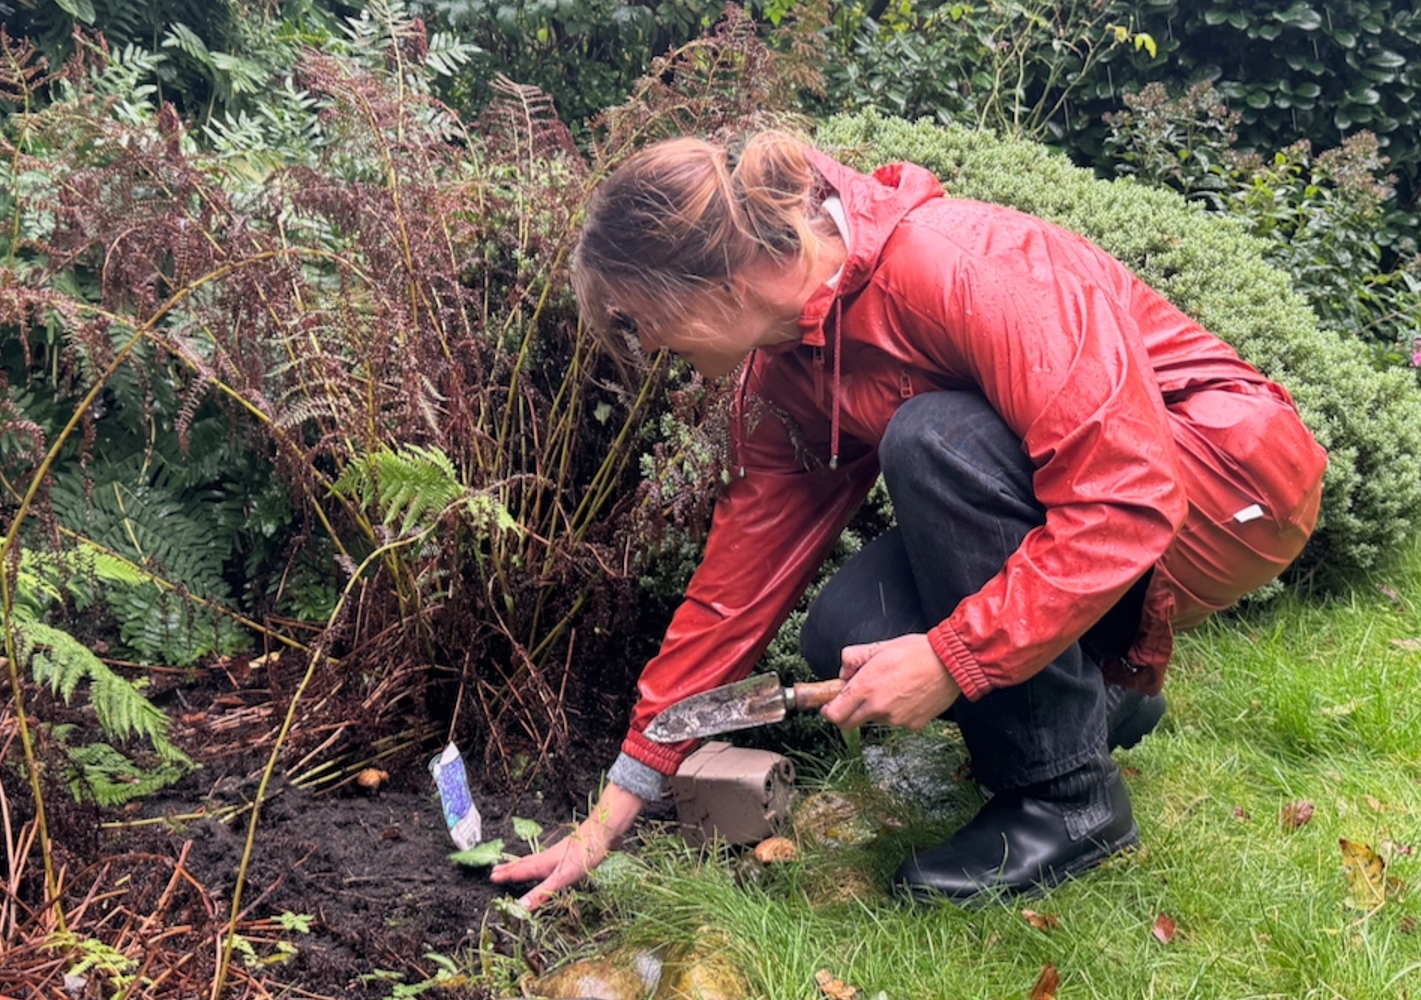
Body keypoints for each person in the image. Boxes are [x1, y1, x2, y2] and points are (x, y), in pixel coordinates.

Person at [490, 131, 1327, 906]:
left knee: (932, 440)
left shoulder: (953, 265)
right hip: (1130, 493)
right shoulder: (788, 366)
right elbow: (736, 591)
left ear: (719, 283)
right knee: (851, 630)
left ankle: (1068, 800)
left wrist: (952, 658)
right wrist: (607, 817)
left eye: (640, 321)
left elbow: (1125, 493)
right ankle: (1101, 699)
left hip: (1228, 477)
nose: (644, 350)